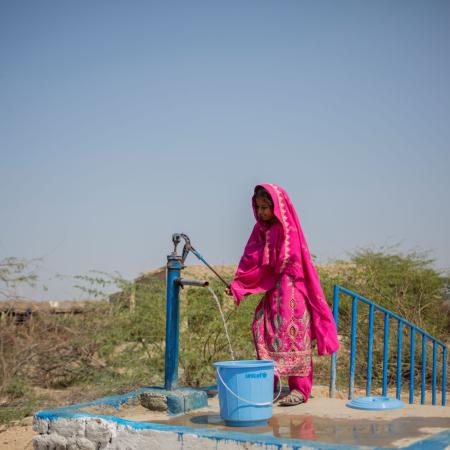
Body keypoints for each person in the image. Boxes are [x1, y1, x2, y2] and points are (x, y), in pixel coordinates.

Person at [225, 184, 339, 406]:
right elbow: (251, 262)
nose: (262, 212)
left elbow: (284, 263)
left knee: (294, 336)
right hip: (273, 293)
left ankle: (299, 389)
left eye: (266, 207)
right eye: (258, 208)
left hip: (292, 293)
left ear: (277, 207)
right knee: (262, 330)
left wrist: (252, 280)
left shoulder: (287, 230)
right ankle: (270, 386)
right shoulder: (260, 230)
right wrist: (239, 284)